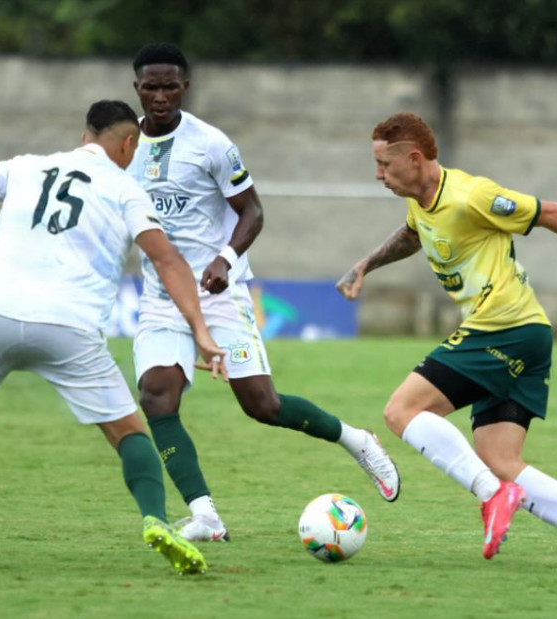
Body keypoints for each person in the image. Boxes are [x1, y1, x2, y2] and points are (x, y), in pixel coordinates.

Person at [0, 100, 228, 574]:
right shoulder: (126, 189)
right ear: (129, 144)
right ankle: (156, 521)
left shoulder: (27, 168)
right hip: (69, 329)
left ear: (84, 137)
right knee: (129, 433)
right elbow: (168, 260)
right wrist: (200, 330)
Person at [336, 112, 557, 571]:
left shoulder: (471, 195)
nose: (378, 174)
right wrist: (366, 264)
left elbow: (550, 212)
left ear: (415, 159)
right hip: (527, 334)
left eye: (384, 165)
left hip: (505, 326)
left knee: (402, 412)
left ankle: (493, 495)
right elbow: (413, 234)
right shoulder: (420, 198)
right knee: (500, 459)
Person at [126, 43, 400, 542]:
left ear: (185, 88)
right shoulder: (123, 148)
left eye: (170, 86)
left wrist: (224, 260)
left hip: (219, 292)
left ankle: (355, 440)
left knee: (262, 406)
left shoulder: (211, 144)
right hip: (161, 298)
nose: (160, 96)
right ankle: (205, 516)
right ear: (136, 88)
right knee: (157, 398)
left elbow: (253, 211)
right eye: (151, 86)